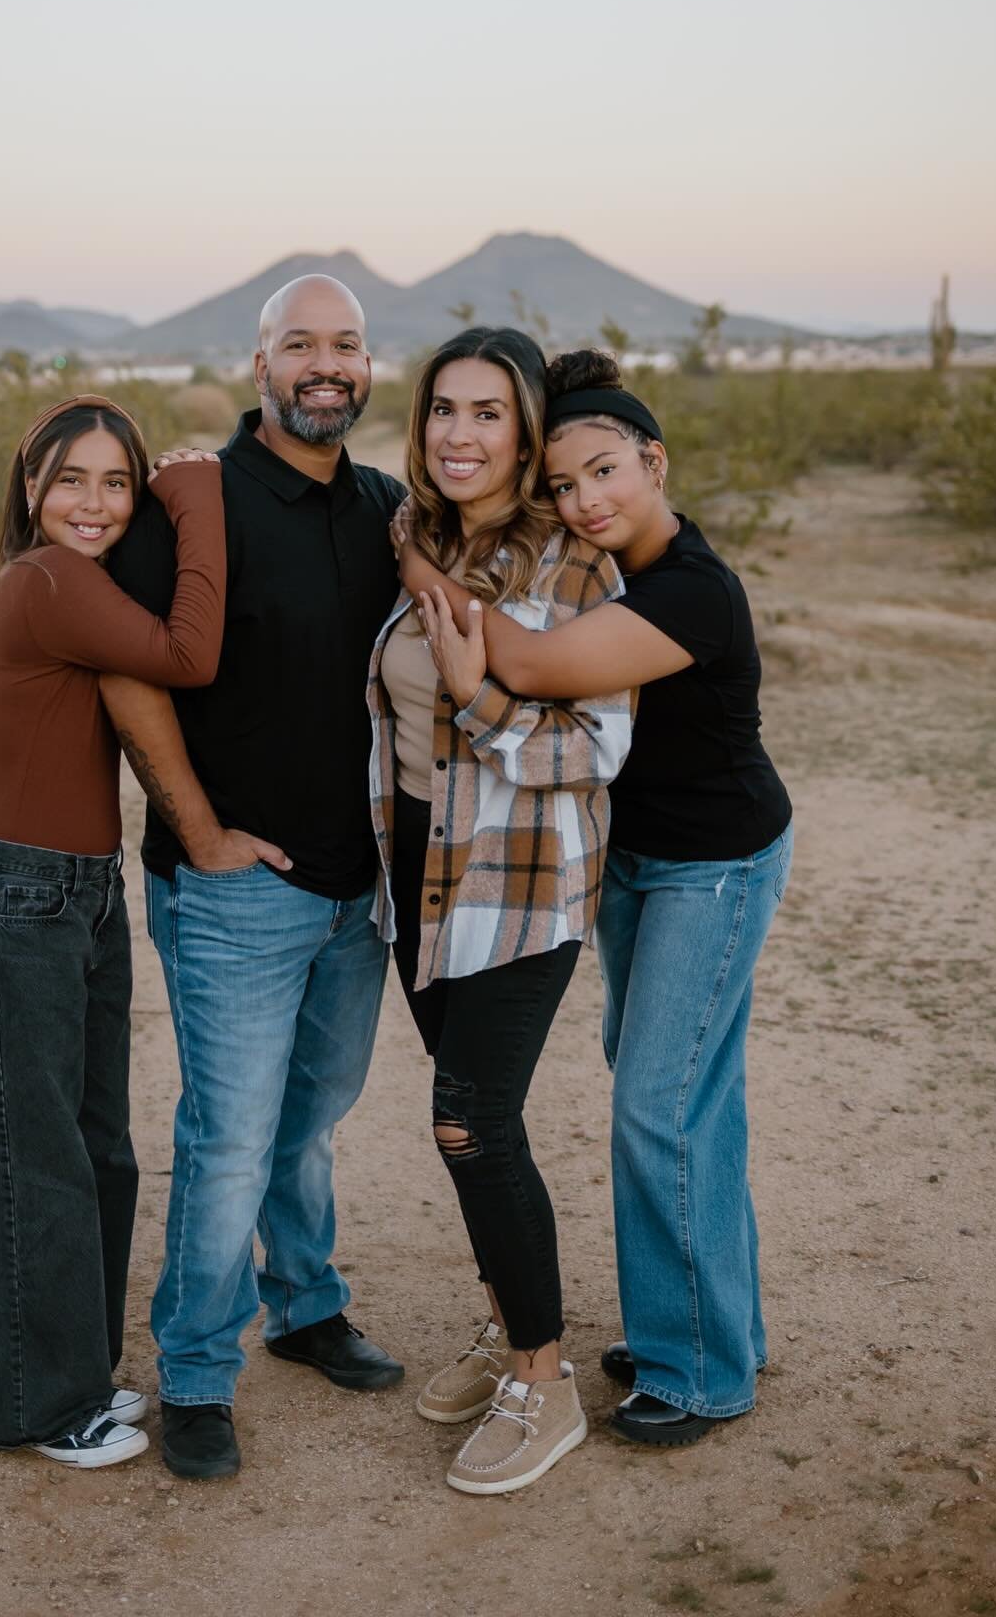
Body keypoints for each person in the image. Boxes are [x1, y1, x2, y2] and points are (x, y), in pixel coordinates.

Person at [402, 347, 794, 1447]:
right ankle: (717, 1328)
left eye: (607, 473)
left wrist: (437, 605)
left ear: (654, 459)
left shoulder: (691, 592)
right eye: (565, 484)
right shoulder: (601, 557)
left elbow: (524, 668)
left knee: (659, 1102)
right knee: (681, 1096)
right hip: (631, 863)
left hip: (712, 865)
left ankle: (699, 1372)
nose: (586, 502)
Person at [103, 275, 407, 1482]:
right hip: (234, 886)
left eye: (345, 345)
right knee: (229, 1134)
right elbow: (130, 675)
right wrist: (203, 827)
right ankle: (193, 1370)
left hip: (358, 887)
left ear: (367, 364)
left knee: (310, 1119)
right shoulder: (194, 501)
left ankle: (306, 1305)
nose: (324, 364)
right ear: (261, 361)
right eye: (300, 345)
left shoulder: (388, 506)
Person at [0, 394, 225, 1469]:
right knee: (28, 1159)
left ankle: (79, 1377)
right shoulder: (46, 581)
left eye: (118, 481)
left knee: (96, 1149)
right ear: (31, 488)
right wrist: (197, 501)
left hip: (76, 897)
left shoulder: (81, 580)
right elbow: (190, 655)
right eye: (70, 480)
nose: (93, 503)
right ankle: (35, 1405)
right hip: (14, 897)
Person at [375, 327, 633, 1495]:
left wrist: (481, 700)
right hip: (418, 873)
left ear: (527, 431)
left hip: (523, 885)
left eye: (488, 413)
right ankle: (502, 1323)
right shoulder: (419, 538)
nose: (460, 434)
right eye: (443, 410)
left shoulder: (574, 566)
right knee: (463, 1131)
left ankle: (545, 1377)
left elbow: (598, 746)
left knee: (474, 1125)